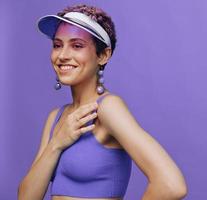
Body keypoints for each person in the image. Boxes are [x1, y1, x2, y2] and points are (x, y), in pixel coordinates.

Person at [18, 4, 187, 200]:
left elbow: (172, 185)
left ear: (103, 55)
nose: (62, 55)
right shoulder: (55, 117)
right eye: (57, 45)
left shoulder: (108, 107)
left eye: (77, 45)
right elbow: (26, 197)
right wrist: (57, 143)